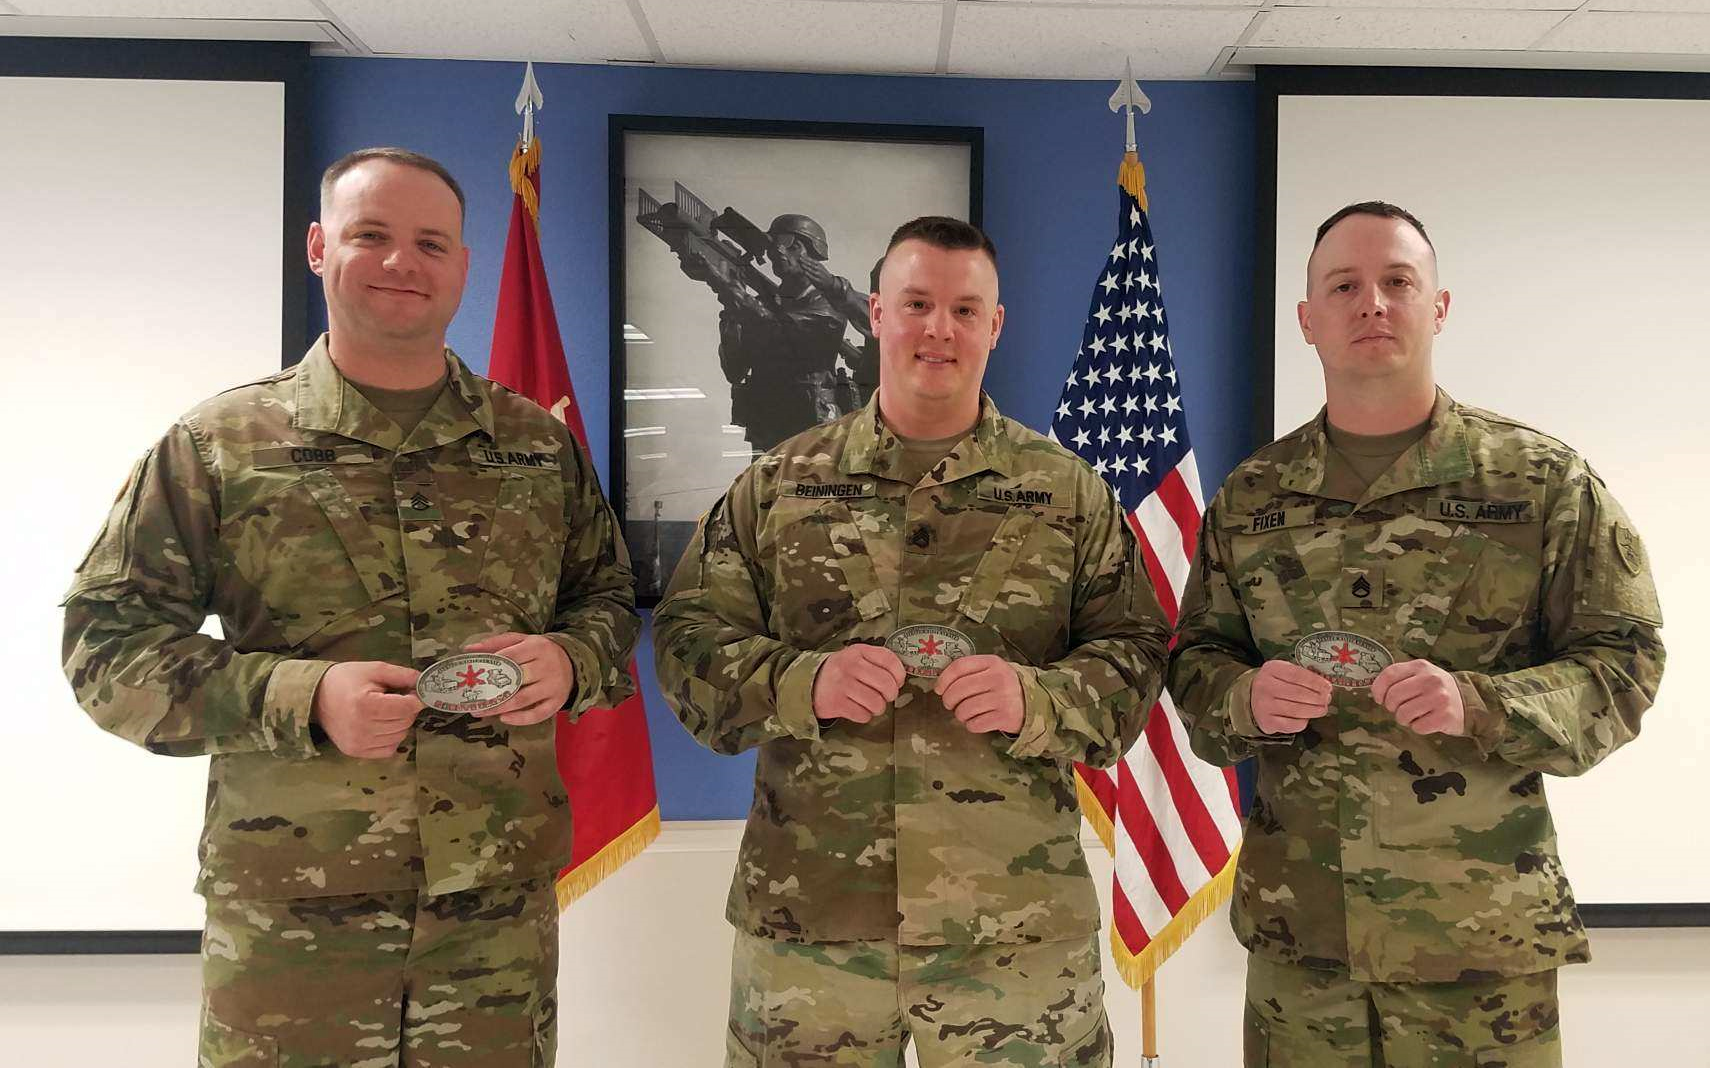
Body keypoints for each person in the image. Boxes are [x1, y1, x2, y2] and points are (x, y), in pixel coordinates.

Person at [61, 147, 640, 1066]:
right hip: (295, 914)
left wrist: (573, 661)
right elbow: (106, 647)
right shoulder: (218, 445)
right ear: (318, 247)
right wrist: (301, 697)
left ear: (462, 265)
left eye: (431, 243)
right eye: (372, 235)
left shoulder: (535, 444)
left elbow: (605, 598)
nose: (403, 262)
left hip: (491, 911)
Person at [654, 215, 1171, 1067]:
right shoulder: (778, 483)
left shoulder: (1069, 492)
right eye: (917, 303)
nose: (940, 329)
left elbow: (1137, 653)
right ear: (876, 313)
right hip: (812, 927)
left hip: (1014, 934)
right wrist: (798, 683)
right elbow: (685, 642)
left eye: (965, 310)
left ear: (995, 326)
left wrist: (1040, 700)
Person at [1168, 201, 1665, 1066]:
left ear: (1438, 307)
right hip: (1304, 947)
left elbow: (1624, 667)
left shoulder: (1540, 483)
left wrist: (1483, 705)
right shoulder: (1252, 499)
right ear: (1308, 320)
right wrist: (1245, 697)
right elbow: (1196, 665)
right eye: (1344, 286)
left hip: (1478, 947)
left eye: (1398, 282)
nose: (1372, 303)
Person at [715, 212, 872, 452]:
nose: (779, 251)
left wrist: (739, 299)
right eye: (774, 245)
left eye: (793, 246)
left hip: (814, 429)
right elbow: (735, 370)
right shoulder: (756, 305)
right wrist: (730, 312)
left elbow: (786, 330)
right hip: (767, 429)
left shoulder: (828, 303)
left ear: (813, 254)